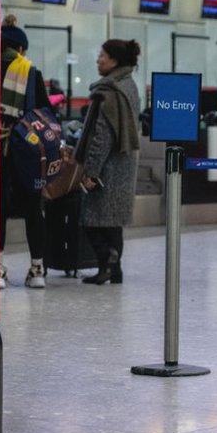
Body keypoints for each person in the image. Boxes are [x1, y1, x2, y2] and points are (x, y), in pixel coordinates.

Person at [76, 39, 142, 285]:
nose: (98, 60)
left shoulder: (109, 91)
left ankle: (107, 262)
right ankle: (115, 270)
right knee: (113, 222)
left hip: (108, 166)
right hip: (124, 164)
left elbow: (101, 136)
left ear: (114, 61)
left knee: (92, 220)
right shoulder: (129, 86)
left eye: (102, 56)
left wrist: (91, 171)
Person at [0, 15, 51, 290]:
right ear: (21, 49)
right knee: (34, 209)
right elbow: (43, 115)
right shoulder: (31, 72)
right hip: (27, 152)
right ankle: (37, 269)